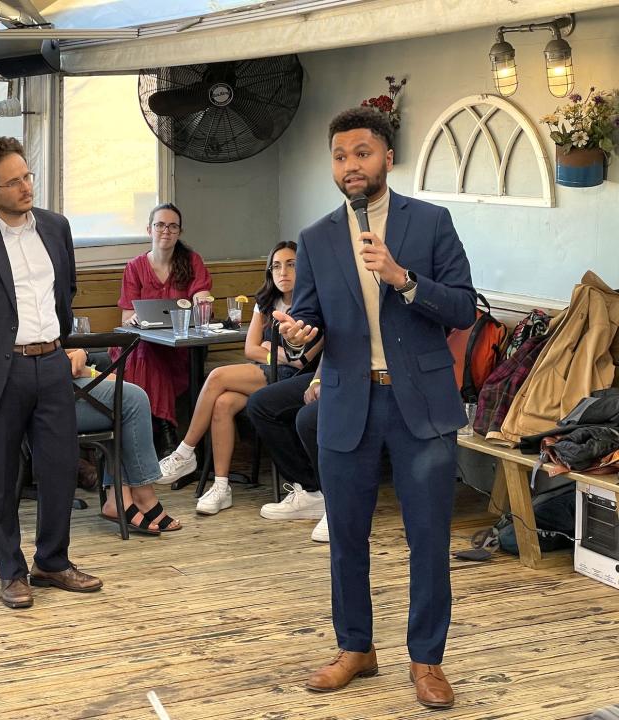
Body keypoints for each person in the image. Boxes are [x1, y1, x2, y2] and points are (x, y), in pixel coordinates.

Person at [274, 107, 475, 709]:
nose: (350, 166)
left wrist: (403, 277)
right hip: (347, 402)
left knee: (429, 537)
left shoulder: (432, 223)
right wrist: (298, 336)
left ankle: (427, 660)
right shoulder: (314, 238)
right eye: (339, 156)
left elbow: (463, 308)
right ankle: (356, 648)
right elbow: (308, 318)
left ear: (387, 157)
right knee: (347, 538)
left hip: (421, 405)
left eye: (361, 153)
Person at [0, 137, 101, 609]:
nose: (25, 187)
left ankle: (52, 561)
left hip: (51, 363)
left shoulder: (55, 227)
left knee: (59, 468)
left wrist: (63, 345)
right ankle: (11, 572)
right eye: (12, 182)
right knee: (2, 476)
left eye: (27, 176)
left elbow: (64, 289)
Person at [157, 241, 321, 515]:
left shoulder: (313, 304)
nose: (283, 272)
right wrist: (275, 352)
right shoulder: (266, 301)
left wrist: (271, 350)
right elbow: (250, 348)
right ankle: (221, 487)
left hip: (297, 378)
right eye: (276, 266)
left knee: (218, 376)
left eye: (291, 264)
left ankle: (185, 452)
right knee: (222, 403)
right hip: (269, 371)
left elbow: (301, 359)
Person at [112, 203, 212, 456]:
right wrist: (134, 319)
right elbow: (126, 317)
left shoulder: (192, 261)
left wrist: (202, 299)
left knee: (148, 359)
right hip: (143, 345)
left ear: (179, 231)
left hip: (179, 347)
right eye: (160, 225)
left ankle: (153, 437)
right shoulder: (135, 267)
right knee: (144, 354)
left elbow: (202, 296)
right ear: (149, 229)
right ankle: (167, 432)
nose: (166, 230)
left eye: (172, 226)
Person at [66, 349, 183, 534]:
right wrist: (91, 370)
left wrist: (84, 356)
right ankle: (143, 495)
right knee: (132, 399)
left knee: (122, 395)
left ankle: (118, 496)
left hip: (61, 378)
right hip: (44, 392)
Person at [247, 366, 328, 542]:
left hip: (367, 378)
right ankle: (311, 491)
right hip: (331, 370)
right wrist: (317, 380)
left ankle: (336, 505)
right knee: (260, 404)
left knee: (307, 419)